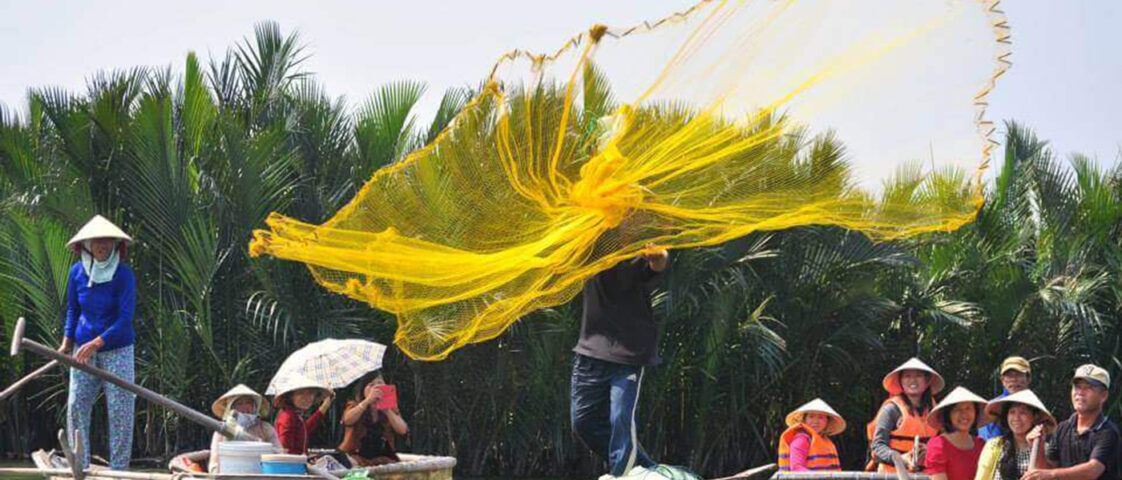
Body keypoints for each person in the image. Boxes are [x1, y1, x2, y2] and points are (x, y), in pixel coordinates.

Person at [571, 243, 687, 480]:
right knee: (583, 423)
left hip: (628, 353)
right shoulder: (589, 246)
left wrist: (659, 256)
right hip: (590, 351)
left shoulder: (635, 249)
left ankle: (621, 474)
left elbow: (657, 264)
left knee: (620, 419)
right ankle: (651, 471)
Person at [58, 215, 137, 470]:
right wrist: (66, 343)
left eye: (106, 241)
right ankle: (79, 465)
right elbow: (73, 310)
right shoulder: (77, 272)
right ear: (87, 244)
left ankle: (119, 471)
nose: (101, 245)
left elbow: (125, 319)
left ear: (115, 244)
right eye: (96, 241)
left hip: (118, 349)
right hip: (83, 350)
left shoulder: (124, 275)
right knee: (76, 405)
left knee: (121, 411)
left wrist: (98, 342)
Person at [1024, 364, 1119, 480]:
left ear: (1103, 395)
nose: (1080, 392)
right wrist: (1037, 447)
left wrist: (1051, 474)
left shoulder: (1108, 432)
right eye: (1077, 387)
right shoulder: (1063, 428)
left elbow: (1093, 470)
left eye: (1088, 387)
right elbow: (1048, 469)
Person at [867, 357, 945, 473]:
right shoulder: (891, 410)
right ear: (901, 381)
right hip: (892, 476)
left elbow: (945, 444)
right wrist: (901, 459)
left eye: (918, 376)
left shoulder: (936, 412)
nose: (913, 380)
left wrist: (930, 451)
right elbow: (877, 447)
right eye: (907, 376)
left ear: (927, 381)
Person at [975, 389, 1056, 480]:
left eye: (1023, 412)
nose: (1016, 418)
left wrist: (1037, 446)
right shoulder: (995, 445)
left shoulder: (1045, 449)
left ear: (1034, 417)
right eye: (1012, 412)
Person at [339, 372, 409, 467]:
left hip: (383, 456)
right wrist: (367, 401)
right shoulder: (354, 405)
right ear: (363, 389)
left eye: (380, 383)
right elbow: (347, 420)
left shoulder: (391, 408)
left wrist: (387, 411)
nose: (376, 388)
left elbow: (402, 430)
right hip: (356, 454)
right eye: (371, 385)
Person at [208, 385, 281, 472]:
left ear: (255, 406)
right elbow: (214, 462)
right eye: (239, 404)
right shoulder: (221, 430)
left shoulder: (265, 428)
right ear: (231, 408)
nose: (245, 407)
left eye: (248, 403)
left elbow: (279, 453)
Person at [924, 387, 986, 480]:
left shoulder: (981, 444)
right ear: (948, 415)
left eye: (968, 408)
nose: (964, 414)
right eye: (957, 410)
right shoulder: (938, 445)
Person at [778, 399, 845, 472]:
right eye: (811, 416)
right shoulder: (801, 439)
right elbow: (796, 468)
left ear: (827, 421)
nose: (815, 421)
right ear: (804, 420)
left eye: (821, 417)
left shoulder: (825, 441)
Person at [273, 377, 334, 455]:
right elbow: (286, 450)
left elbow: (303, 429)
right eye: (301, 393)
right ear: (290, 396)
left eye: (311, 393)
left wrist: (324, 407)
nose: (307, 398)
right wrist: (305, 458)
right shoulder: (287, 417)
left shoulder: (293, 415)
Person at [979, 356, 1032, 440]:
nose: (1014, 379)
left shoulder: (1036, 407)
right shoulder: (992, 410)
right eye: (1009, 375)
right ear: (1002, 380)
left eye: (1019, 374)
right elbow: (989, 443)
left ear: (1028, 378)